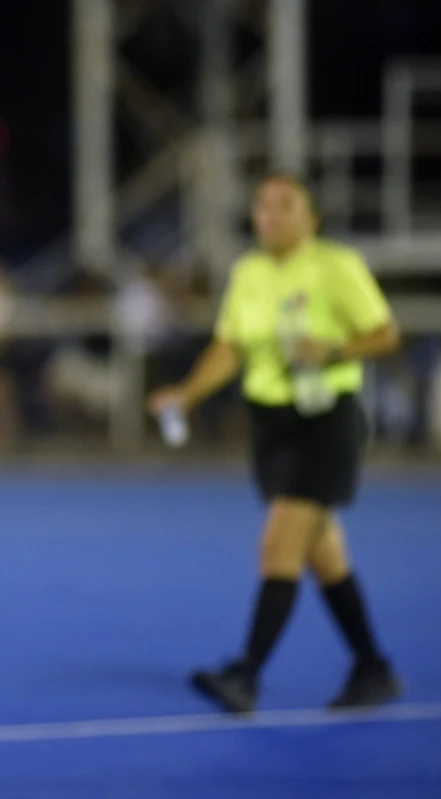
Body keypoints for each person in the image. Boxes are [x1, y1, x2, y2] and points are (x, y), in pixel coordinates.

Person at [148, 173, 403, 714]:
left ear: (311, 216)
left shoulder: (337, 266)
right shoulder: (249, 271)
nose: (271, 215)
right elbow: (231, 346)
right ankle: (373, 667)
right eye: (263, 206)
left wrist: (332, 350)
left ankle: (247, 675)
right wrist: (187, 393)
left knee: (278, 546)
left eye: (285, 205)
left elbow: (384, 334)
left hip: (326, 423)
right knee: (323, 553)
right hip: (271, 426)